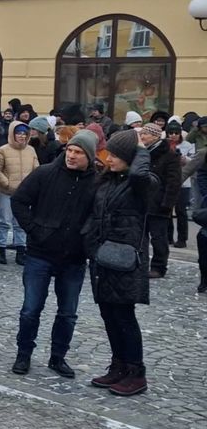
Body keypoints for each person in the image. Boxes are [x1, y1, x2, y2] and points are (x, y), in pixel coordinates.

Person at [9, 130, 98, 377]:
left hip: (74, 258)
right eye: (70, 150)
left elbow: (98, 216)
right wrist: (35, 230)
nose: (71, 155)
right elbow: (19, 201)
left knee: (68, 313)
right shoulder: (45, 173)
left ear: (89, 156)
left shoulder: (96, 182)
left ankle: (58, 357)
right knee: (30, 309)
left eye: (78, 152)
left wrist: (86, 238)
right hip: (40, 254)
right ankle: (23, 355)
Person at [84, 130, 155, 396]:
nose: (109, 158)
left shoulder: (144, 182)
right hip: (103, 259)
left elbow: (138, 174)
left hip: (125, 261)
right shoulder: (108, 180)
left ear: (130, 157)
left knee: (124, 316)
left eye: (115, 155)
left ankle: (136, 373)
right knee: (109, 315)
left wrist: (141, 148)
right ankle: (119, 366)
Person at [0, 121, 40, 265]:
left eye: (24, 133)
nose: (21, 136)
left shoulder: (31, 150)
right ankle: (1, 249)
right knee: (4, 221)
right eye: (19, 133)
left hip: (25, 194)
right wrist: (6, 183)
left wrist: (33, 186)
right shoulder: (3, 150)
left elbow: (36, 170)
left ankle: (21, 250)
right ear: (12, 134)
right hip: (7, 192)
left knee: (21, 223)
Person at [138, 122, 180, 279]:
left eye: (145, 134)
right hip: (141, 201)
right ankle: (140, 264)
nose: (142, 136)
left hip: (159, 203)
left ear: (155, 136)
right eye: (141, 133)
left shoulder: (170, 155)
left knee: (158, 237)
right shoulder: (141, 152)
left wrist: (167, 204)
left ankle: (158, 266)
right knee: (141, 236)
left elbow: (173, 182)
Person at [167, 124, 193, 248]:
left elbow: (193, 161)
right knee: (166, 210)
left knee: (181, 211)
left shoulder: (187, 145)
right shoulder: (164, 145)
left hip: (183, 183)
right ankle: (168, 237)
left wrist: (184, 158)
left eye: (176, 133)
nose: (173, 135)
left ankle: (182, 239)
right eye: (171, 133)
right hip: (168, 182)